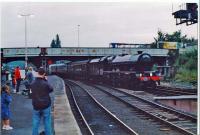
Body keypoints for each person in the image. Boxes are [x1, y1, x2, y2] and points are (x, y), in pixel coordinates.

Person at [30, 67, 53, 135]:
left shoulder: (32, 83)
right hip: (46, 105)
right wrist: (46, 80)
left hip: (36, 105)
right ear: (44, 74)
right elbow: (51, 89)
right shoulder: (45, 83)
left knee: (35, 121)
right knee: (47, 122)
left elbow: (31, 94)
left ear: (37, 73)